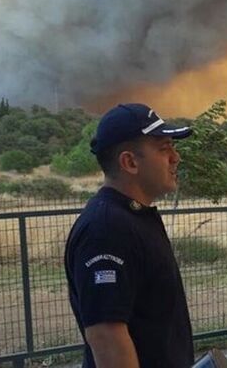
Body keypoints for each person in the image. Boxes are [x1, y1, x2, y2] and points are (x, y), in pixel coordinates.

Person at [64, 103, 195, 367]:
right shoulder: (106, 230)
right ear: (129, 162)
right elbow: (107, 338)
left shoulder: (132, 217)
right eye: (164, 148)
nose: (175, 157)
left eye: (173, 146)